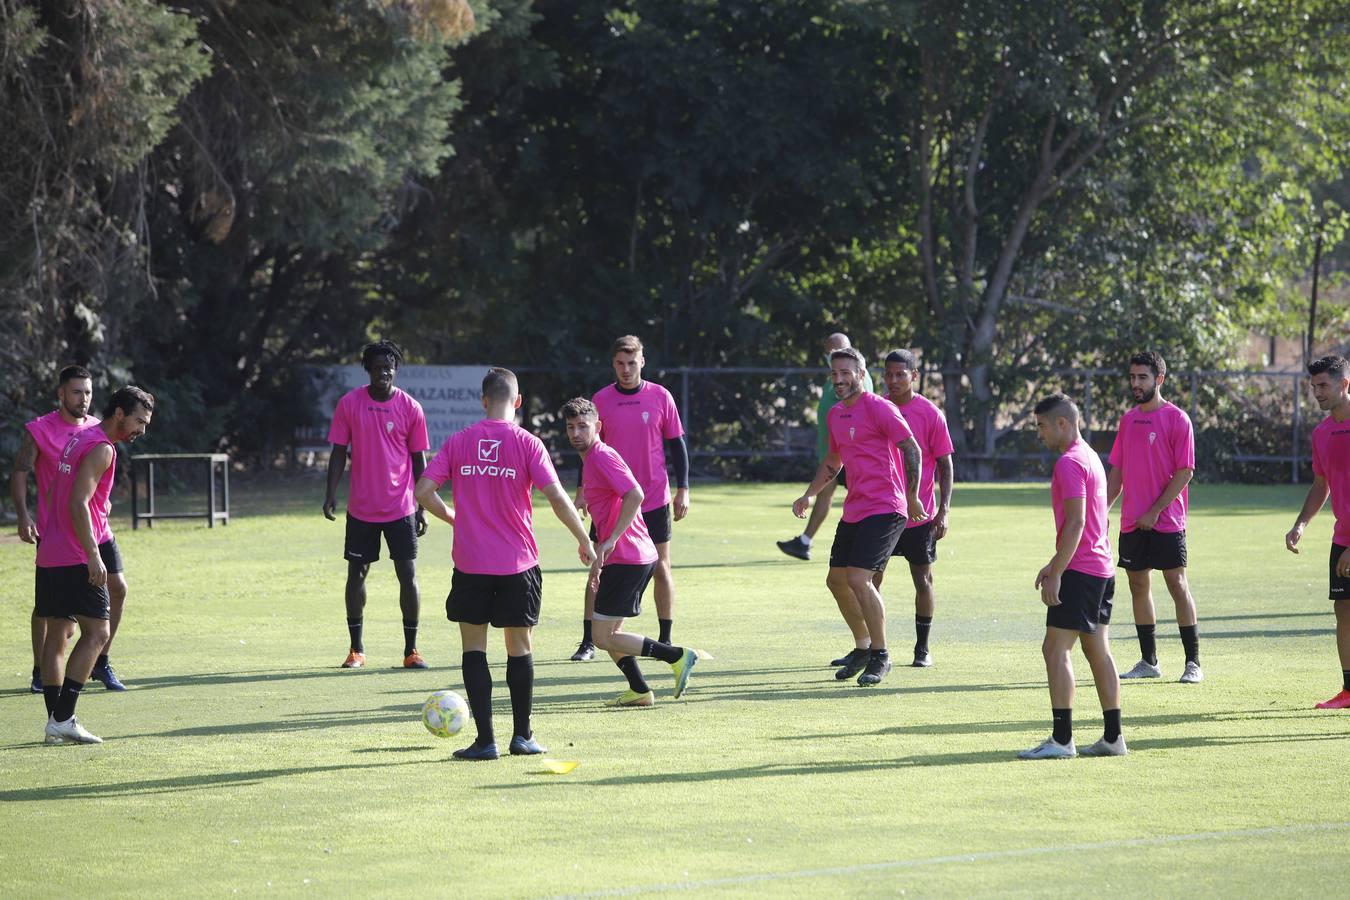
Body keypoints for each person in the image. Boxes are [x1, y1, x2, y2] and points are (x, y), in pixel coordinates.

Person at [415, 369, 595, 759]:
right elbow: (559, 498)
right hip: (518, 564)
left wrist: (451, 517)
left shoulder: (460, 441)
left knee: (474, 649)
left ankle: (485, 742)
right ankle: (522, 737)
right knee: (519, 648)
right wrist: (583, 539)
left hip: (471, 564)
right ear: (517, 401)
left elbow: (423, 491)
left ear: (483, 400)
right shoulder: (528, 443)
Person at [791, 347, 925, 687]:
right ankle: (863, 647)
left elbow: (912, 448)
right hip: (856, 508)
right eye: (834, 374)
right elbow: (834, 461)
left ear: (861, 374)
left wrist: (911, 496)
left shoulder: (880, 408)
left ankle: (881, 655)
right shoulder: (836, 414)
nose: (839, 379)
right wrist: (809, 493)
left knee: (859, 579)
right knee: (836, 580)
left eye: (846, 373)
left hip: (886, 507)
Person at [562, 397, 701, 706]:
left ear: (597, 427)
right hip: (628, 555)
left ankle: (677, 656)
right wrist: (594, 545)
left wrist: (610, 540)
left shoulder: (601, 456)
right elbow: (607, 508)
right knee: (610, 629)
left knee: (602, 637)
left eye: (583, 426)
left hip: (628, 557)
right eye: (570, 427)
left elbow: (635, 494)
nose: (576, 433)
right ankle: (639, 690)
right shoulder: (592, 459)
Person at [36, 386, 154, 744]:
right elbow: (77, 503)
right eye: (139, 421)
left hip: (50, 551)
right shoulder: (102, 447)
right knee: (98, 634)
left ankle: (56, 722)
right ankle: (64, 717)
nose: (141, 430)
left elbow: (59, 491)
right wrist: (92, 553)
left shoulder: (78, 438)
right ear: (119, 413)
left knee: (59, 632)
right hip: (74, 554)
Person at [569, 335, 689, 661]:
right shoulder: (601, 400)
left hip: (652, 498)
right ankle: (588, 641)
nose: (626, 369)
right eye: (620, 363)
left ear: (642, 362)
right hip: (612, 504)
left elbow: (677, 445)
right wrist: (582, 491)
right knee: (599, 566)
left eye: (632, 363)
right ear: (613, 364)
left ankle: (665, 638)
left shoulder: (660, 396)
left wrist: (683, 489)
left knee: (662, 566)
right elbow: (589, 452)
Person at [1020, 393, 1125, 759]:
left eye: (1042, 425)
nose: (1039, 433)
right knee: (1098, 651)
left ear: (1062, 423)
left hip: (1081, 571)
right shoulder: (1091, 457)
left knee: (1055, 648)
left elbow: (1078, 522)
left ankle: (1062, 740)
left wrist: (1058, 572)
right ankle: (1114, 737)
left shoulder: (1068, 463)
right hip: (1101, 568)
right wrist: (1054, 563)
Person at [11, 366, 127, 692]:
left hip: (97, 529)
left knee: (118, 587)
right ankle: (41, 671)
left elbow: (97, 479)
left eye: (88, 392)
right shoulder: (40, 429)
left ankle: (100, 661)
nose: (84, 399)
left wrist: (104, 503)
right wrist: (24, 516)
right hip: (58, 531)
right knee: (52, 613)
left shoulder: (96, 429)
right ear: (61, 394)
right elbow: (20, 472)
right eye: (77, 392)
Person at [323, 341, 431, 669]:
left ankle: (411, 651)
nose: (384, 372)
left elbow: (418, 459)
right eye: (378, 367)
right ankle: (356, 650)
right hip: (361, 509)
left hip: (402, 508)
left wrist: (423, 505)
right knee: (356, 575)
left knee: (407, 575)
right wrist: (330, 493)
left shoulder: (411, 408)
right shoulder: (349, 404)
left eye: (389, 366)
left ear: (395, 369)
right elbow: (339, 451)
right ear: (367, 369)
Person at [1107, 351, 1202, 684]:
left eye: (1142, 377)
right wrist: (1101, 510)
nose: (1136, 383)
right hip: (1132, 522)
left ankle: (1193, 663)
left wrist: (1155, 510)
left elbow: (1184, 472)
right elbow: (1117, 471)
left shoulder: (1178, 419)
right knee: (1137, 584)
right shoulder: (1128, 420)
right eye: (1132, 377)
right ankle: (1149, 661)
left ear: (1159, 379)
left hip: (1166, 521)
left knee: (1177, 585)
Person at [876, 349, 954, 668]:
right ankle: (872, 647)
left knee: (923, 580)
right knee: (871, 580)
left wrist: (944, 511)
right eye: (889, 374)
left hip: (919, 517)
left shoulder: (930, 413)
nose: (893, 380)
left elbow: (946, 465)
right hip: (881, 512)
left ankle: (922, 649)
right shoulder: (877, 408)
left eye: (900, 374)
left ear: (914, 376)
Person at [1285, 355, 1350, 710]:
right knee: (1344, 609)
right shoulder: (1322, 433)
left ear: (1344, 384)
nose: (1317, 393)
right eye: (1313, 387)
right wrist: (1301, 524)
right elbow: (1321, 483)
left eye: (1324, 385)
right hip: (1342, 537)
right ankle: (1348, 690)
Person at [777, 332, 875, 562]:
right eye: (828, 353)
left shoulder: (856, 380)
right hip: (833, 455)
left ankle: (874, 542)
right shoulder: (835, 378)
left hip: (849, 454)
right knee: (824, 496)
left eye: (834, 351)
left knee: (863, 499)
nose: (830, 357)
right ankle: (804, 542)